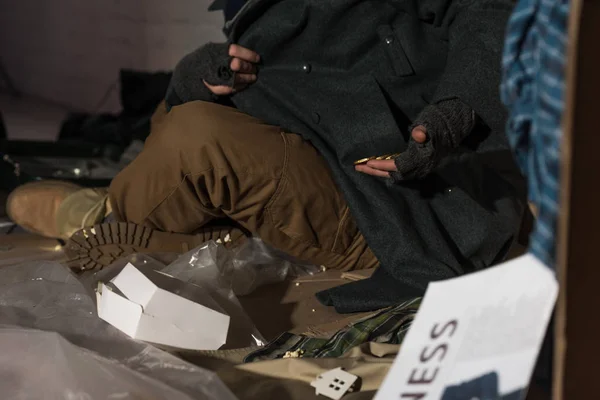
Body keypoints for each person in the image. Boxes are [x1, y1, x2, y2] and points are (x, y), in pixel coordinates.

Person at [7, 0, 526, 312]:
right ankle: (210, 231)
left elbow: (487, 17)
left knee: (194, 138)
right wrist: (198, 73)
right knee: (177, 114)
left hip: (382, 196)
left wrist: (456, 113)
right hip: (307, 136)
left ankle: (106, 220)